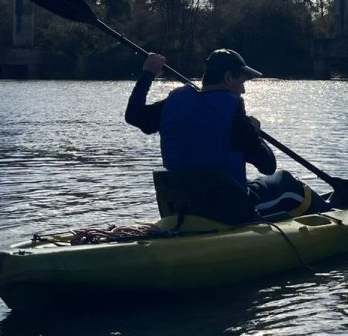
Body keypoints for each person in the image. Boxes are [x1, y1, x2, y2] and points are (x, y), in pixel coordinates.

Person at [125, 48, 329, 221]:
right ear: (228, 77)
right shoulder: (235, 116)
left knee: (254, 184)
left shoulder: (174, 102)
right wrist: (255, 133)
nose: (243, 90)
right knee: (285, 182)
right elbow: (268, 166)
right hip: (229, 211)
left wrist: (148, 74)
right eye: (242, 81)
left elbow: (134, 115)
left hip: (182, 205)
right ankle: (334, 217)